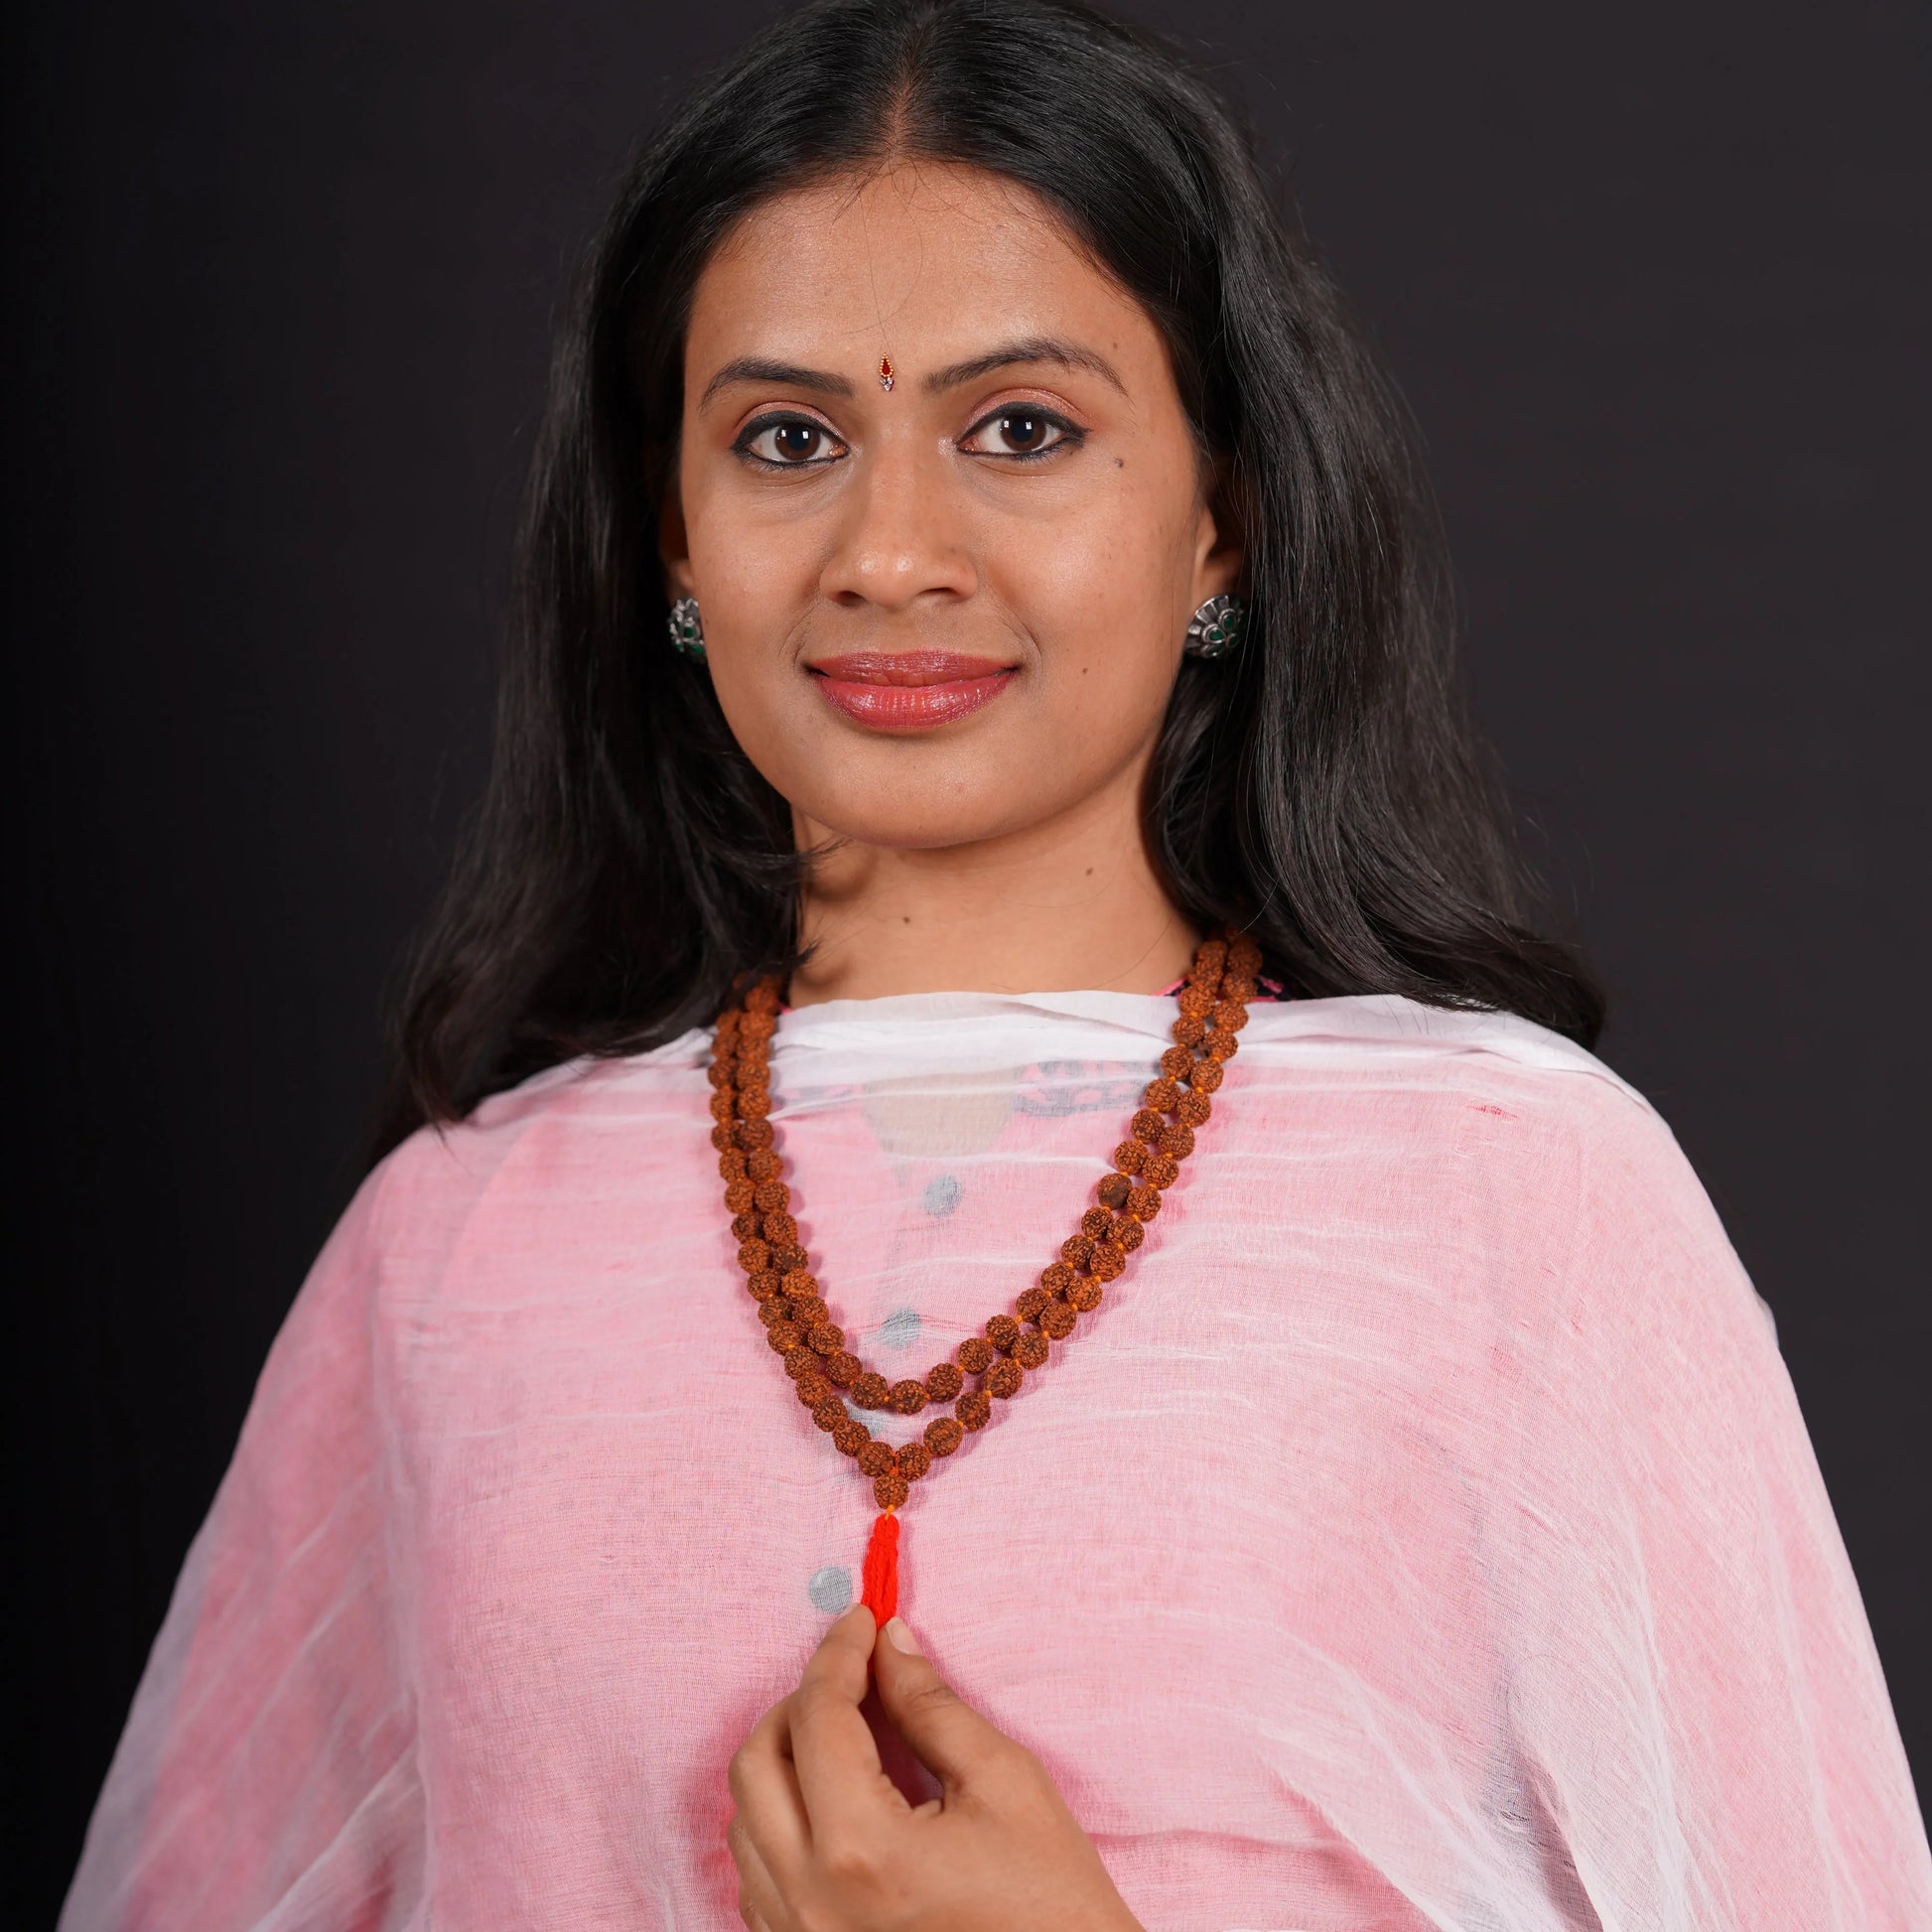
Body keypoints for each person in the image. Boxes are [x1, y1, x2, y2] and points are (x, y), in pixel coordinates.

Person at [62, 1, 1931, 1927]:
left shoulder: (1512, 1195)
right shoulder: (456, 1245)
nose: (888, 549)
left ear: (1224, 519)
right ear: (671, 544)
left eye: (1019, 429)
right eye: (786, 438)